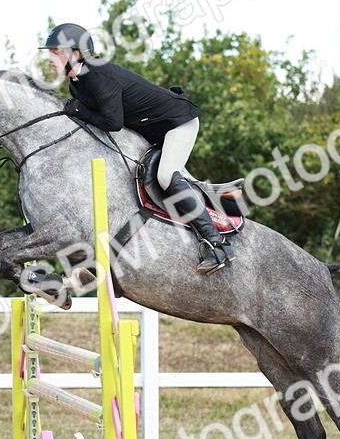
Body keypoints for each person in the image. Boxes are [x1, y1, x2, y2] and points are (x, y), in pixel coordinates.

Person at [41, 22, 234, 275]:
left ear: (76, 53)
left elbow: (113, 123)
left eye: (56, 52)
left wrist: (79, 110)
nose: (50, 58)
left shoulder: (97, 76)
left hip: (178, 124)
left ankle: (218, 245)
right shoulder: (78, 81)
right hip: (155, 130)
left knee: (165, 176)